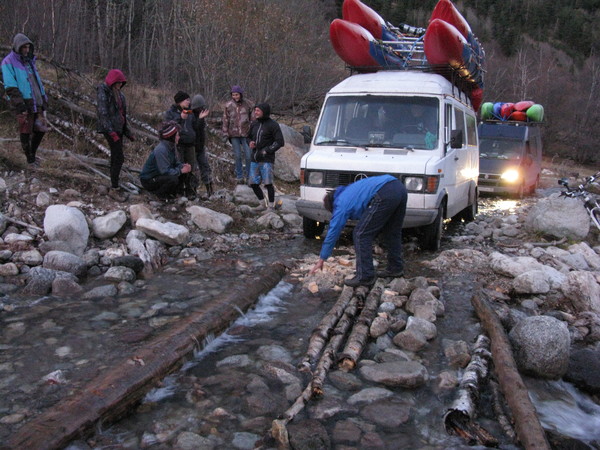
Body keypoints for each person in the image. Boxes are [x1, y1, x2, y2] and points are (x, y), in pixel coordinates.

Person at [309, 174, 407, 287]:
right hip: (398, 187)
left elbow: (333, 231)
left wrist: (322, 258)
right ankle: (395, 268)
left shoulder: (341, 204)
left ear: (332, 206)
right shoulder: (349, 191)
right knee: (392, 232)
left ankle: (365, 276)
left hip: (384, 192)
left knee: (361, 234)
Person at [1, 33, 48, 168]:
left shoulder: (29, 62)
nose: (26, 50)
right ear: (18, 47)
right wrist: (19, 104)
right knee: (25, 131)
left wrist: (44, 98)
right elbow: (10, 85)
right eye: (24, 47)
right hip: (23, 102)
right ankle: (29, 159)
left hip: (37, 100)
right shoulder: (8, 62)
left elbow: (36, 82)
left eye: (28, 47)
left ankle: (32, 153)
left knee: (41, 129)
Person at [96, 68, 135, 201]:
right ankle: (114, 187)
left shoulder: (120, 96)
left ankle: (114, 184)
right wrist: (111, 131)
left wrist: (127, 132)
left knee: (116, 157)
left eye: (121, 83)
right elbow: (103, 113)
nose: (119, 86)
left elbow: (123, 115)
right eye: (118, 83)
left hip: (118, 129)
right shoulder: (103, 93)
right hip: (109, 129)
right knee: (118, 157)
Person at [139, 121, 192, 199]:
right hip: (149, 180)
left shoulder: (171, 147)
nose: (179, 137)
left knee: (183, 173)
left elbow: (175, 163)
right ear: (172, 137)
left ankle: (175, 193)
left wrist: (183, 166)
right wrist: (181, 171)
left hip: (159, 176)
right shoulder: (161, 150)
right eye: (177, 135)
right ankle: (159, 194)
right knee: (173, 178)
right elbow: (165, 171)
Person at [247, 103, 284, 210]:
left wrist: (267, 150)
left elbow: (280, 141)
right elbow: (247, 137)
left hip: (267, 159)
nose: (255, 112)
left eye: (258, 110)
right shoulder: (254, 124)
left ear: (264, 112)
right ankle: (262, 204)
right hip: (254, 158)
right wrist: (250, 142)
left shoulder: (273, 125)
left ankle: (271, 207)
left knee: (268, 184)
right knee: (253, 183)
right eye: (255, 110)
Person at [165, 91, 198, 198]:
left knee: (191, 167)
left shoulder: (190, 112)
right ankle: (178, 189)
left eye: (189, 100)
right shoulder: (171, 112)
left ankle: (190, 190)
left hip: (190, 143)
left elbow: (195, 126)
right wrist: (180, 118)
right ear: (180, 101)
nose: (189, 102)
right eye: (186, 100)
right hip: (178, 143)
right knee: (179, 166)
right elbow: (169, 126)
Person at [222, 85, 253, 184]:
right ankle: (239, 176)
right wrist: (225, 133)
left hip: (246, 134)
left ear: (240, 94)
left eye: (237, 94)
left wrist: (253, 133)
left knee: (248, 156)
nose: (235, 97)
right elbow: (225, 119)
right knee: (238, 156)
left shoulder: (248, 104)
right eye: (233, 95)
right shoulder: (228, 105)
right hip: (234, 134)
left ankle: (249, 176)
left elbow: (253, 120)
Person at [190, 94, 213, 198]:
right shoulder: (190, 116)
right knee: (193, 170)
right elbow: (194, 129)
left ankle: (210, 190)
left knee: (205, 167)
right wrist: (200, 119)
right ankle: (193, 190)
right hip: (192, 148)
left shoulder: (201, 116)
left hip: (200, 147)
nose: (202, 109)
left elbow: (201, 131)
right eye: (200, 107)